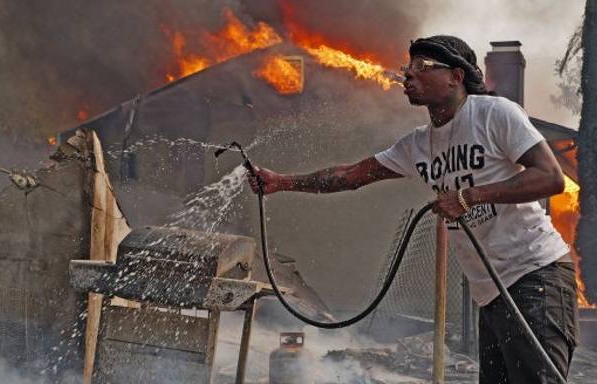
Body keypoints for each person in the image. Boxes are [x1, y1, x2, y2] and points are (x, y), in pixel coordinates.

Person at [247, 35, 577, 384]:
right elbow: (349, 176)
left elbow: (550, 178)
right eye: (408, 68)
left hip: (536, 277)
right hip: (492, 293)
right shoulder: (419, 145)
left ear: (455, 76)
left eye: (422, 67)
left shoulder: (494, 114)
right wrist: (280, 182)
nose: (408, 75)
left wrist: (468, 197)